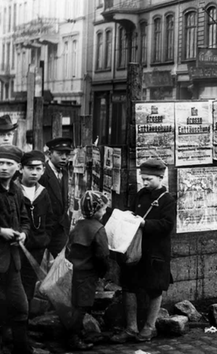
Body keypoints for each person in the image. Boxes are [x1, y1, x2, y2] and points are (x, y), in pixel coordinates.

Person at [112, 159, 175, 343]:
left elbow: (167, 225)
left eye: (149, 179)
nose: (145, 182)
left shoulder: (167, 199)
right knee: (129, 285)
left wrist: (145, 223)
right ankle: (131, 328)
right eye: (143, 179)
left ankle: (149, 327)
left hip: (156, 252)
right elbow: (132, 212)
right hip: (135, 249)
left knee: (154, 289)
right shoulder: (140, 195)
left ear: (161, 177)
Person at [65, 191, 110, 351]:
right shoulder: (98, 229)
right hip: (89, 274)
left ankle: (76, 332)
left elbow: (69, 247)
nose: (104, 212)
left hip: (74, 272)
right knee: (82, 306)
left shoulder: (78, 226)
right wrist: (104, 271)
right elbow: (103, 254)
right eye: (103, 209)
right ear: (96, 210)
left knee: (76, 304)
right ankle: (73, 337)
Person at [0, 145, 33, 354]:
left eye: (9, 164)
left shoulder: (17, 190)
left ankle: (22, 349)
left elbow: (24, 219)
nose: (3, 168)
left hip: (12, 261)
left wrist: (23, 233)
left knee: (20, 307)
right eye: (0, 163)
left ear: (18, 167)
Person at [16, 151, 51, 308]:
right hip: (16, 247)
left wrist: (44, 238)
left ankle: (25, 318)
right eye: (30, 168)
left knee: (29, 281)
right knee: (13, 282)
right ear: (21, 168)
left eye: (38, 168)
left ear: (43, 170)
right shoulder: (13, 191)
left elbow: (50, 219)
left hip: (36, 247)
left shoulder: (43, 193)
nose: (34, 172)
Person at [38, 137, 73, 257]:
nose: (64, 157)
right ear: (49, 154)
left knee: (62, 264)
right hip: (43, 228)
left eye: (66, 154)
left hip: (60, 228)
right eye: (59, 153)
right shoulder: (41, 173)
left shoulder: (64, 172)